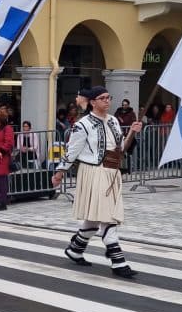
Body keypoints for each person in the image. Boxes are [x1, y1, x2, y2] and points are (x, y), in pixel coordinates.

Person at [52, 87, 141, 277]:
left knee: (94, 218)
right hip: (93, 172)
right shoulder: (82, 124)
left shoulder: (114, 121)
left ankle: (75, 249)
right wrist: (60, 171)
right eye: (102, 98)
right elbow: (72, 150)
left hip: (112, 171)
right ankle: (118, 261)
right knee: (108, 216)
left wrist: (132, 133)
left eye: (109, 97)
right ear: (93, 102)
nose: (107, 101)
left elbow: (121, 148)